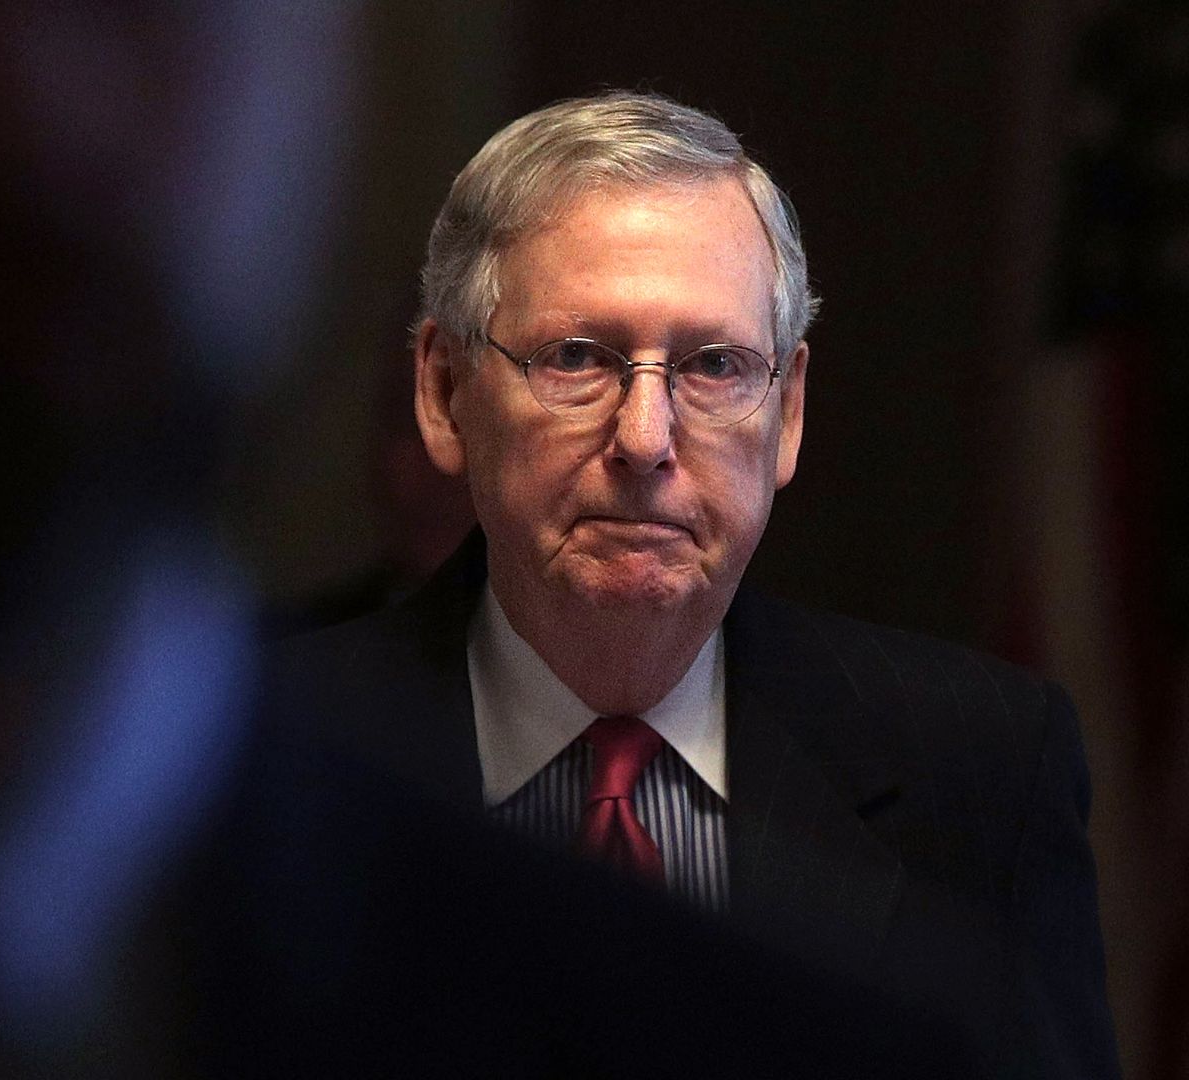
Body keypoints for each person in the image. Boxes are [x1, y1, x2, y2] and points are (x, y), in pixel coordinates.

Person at [271, 91, 1120, 1078]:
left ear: (788, 410)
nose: (645, 439)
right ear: (446, 393)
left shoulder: (985, 775)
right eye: (578, 358)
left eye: (714, 365)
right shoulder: (260, 752)